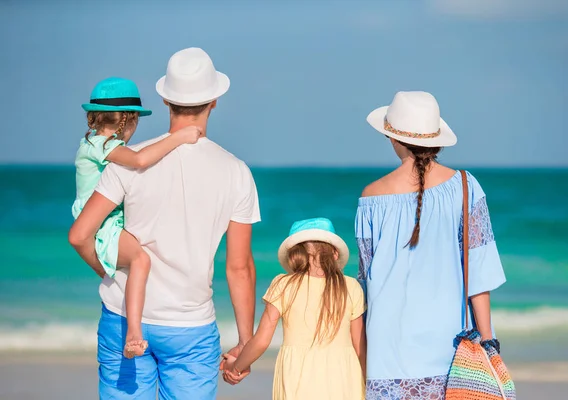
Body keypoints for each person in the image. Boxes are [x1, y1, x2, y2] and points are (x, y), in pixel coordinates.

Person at [68, 47, 260, 400]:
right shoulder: (236, 172)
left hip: (124, 316)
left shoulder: (124, 163)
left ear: (165, 99)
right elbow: (239, 267)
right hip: (190, 328)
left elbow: (81, 235)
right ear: (214, 100)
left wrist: (109, 273)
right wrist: (246, 342)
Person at [355, 92, 506, 399]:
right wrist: (489, 342)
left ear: (392, 137)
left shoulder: (371, 196)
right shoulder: (466, 186)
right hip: (449, 351)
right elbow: (479, 270)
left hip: (386, 353)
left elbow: (365, 280)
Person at [71, 77, 201, 358]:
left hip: (107, 220)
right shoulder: (102, 146)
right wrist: (177, 137)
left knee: (133, 259)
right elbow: (141, 160)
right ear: (129, 121)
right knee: (141, 260)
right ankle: (134, 333)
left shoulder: (93, 143)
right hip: (104, 224)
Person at [223, 218, 367, 400]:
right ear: (335, 254)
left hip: (298, 380)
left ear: (294, 256)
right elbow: (360, 346)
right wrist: (371, 384)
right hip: (345, 381)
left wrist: (236, 368)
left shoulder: (283, 285)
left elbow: (261, 341)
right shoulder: (351, 287)